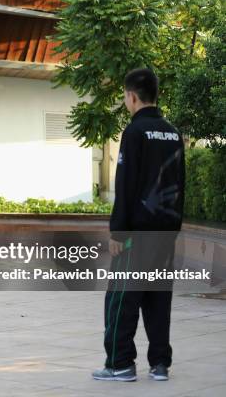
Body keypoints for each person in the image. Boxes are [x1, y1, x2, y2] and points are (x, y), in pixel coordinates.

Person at [93, 68, 185, 382]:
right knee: (158, 297)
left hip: (136, 234)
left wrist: (118, 232)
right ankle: (160, 364)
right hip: (166, 233)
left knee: (121, 298)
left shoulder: (134, 133)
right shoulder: (173, 133)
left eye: (124, 96)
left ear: (132, 96)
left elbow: (126, 183)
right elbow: (180, 183)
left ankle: (120, 364)